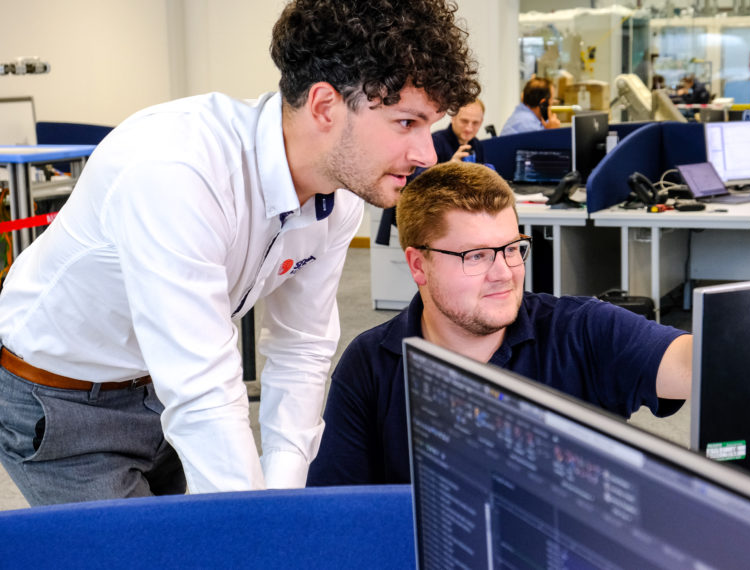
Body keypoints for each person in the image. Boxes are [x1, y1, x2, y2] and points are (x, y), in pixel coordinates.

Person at [0, 0, 479, 506]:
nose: (428, 154)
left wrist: (280, 502)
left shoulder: (336, 203)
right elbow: (203, 390)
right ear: (323, 105)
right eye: (407, 122)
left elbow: (301, 348)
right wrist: (255, 531)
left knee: (193, 540)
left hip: (157, 386)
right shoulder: (179, 170)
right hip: (64, 398)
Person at [307, 162, 692, 486]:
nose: (505, 273)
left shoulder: (581, 330)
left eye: (511, 249)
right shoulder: (371, 365)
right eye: (476, 256)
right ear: (418, 265)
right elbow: (337, 518)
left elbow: (691, 364)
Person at [432, 99, 486, 164]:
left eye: (475, 123)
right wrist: (449, 168)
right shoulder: (434, 142)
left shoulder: (477, 144)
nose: (469, 129)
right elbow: (422, 174)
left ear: (481, 122)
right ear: (453, 118)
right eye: (464, 121)